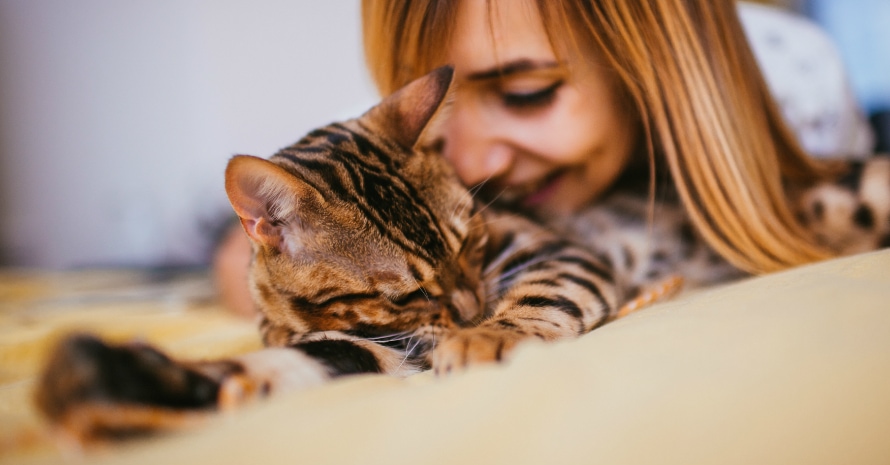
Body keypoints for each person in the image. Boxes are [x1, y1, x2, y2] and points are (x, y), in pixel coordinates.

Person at [214, 0, 871, 318]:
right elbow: (247, 253)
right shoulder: (419, 133)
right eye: (440, 126)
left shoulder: (800, 84)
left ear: (652, 65)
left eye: (525, 95)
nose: (470, 163)